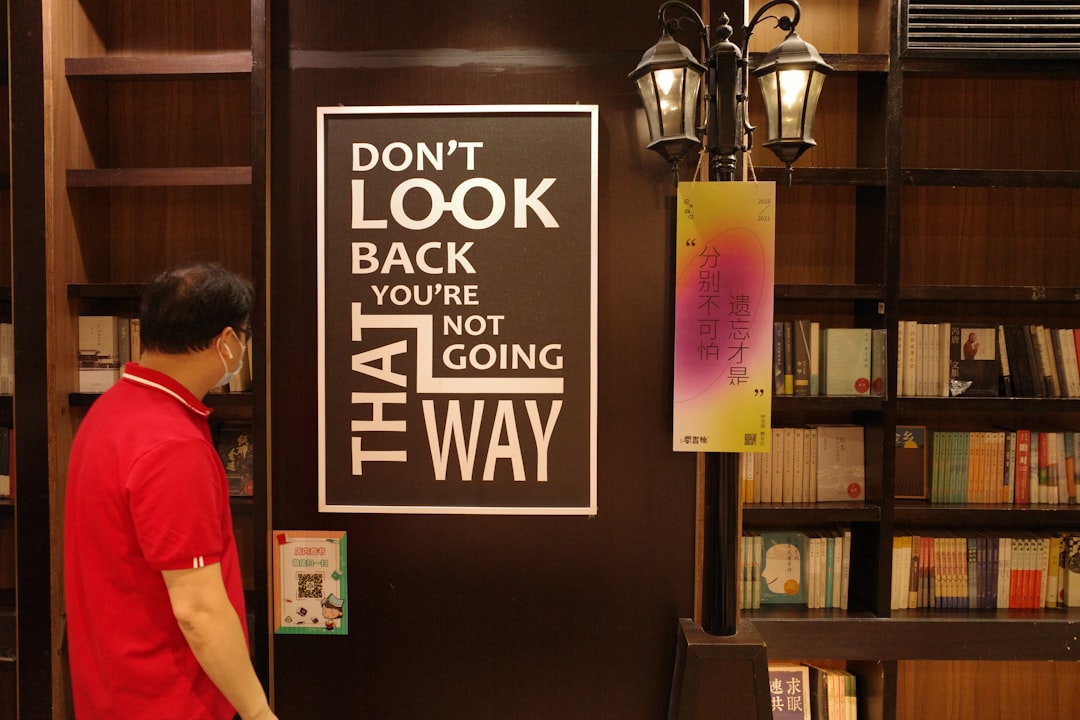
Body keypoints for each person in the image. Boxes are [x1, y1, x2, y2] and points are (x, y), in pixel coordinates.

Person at [64, 263, 278, 720]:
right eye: (244, 336)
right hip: (170, 698)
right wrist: (259, 712)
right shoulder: (172, 444)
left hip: (109, 687)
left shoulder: (109, 410)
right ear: (226, 342)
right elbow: (197, 609)